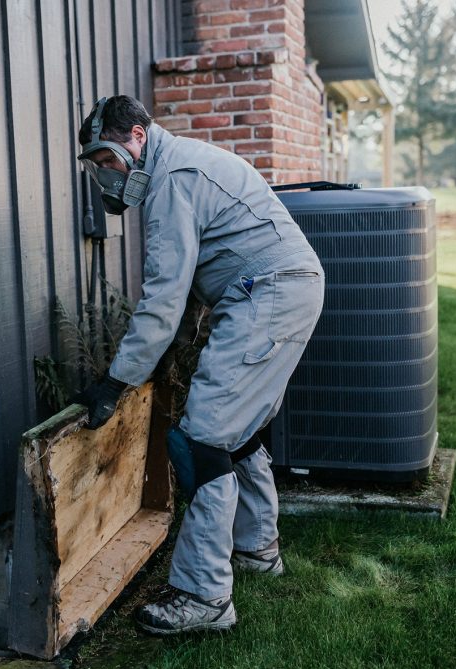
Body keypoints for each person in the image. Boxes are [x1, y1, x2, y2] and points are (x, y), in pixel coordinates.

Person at [76, 95, 324, 635]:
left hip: (268, 292)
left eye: (108, 161)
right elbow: (187, 291)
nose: (106, 177)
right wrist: (167, 353)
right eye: (97, 169)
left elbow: (163, 297)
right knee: (241, 432)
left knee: (202, 443)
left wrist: (116, 380)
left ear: (136, 138)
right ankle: (256, 549)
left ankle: (203, 595)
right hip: (281, 288)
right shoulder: (179, 164)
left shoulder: (171, 179)